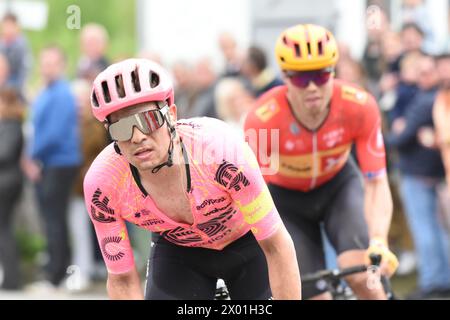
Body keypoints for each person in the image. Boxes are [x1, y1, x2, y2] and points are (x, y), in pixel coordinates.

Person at [83, 58, 301, 300]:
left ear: (171, 116)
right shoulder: (103, 184)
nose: (137, 137)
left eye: (148, 119)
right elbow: (121, 279)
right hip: (179, 255)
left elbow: (276, 245)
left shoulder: (220, 150)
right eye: (121, 128)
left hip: (248, 243)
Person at [244, 24, 398, 300]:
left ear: (333, 72)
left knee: (363, 276)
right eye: (302, 78)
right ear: (285, 77)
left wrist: (379, 240)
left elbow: (375, 181)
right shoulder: (262, 119)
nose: (313, 86)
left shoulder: (359, 105)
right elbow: (255, 192)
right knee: (309, 293)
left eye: (322, 74)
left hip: (338, 187)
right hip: (286, 201)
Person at [23, 46, 81, 289]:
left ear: (62, 65)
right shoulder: (45, 92)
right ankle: (57, 271)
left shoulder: (62, 94)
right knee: (52, 219)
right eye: (43, 62)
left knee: (55, 219)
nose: (47, 67)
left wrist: (31, 157)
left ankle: (56, 275)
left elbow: (54, 134)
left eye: (52, 63)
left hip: (59, 162)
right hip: (48, 162)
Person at [0, 86, 24, 290]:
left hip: (6, 183)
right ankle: (9, 277)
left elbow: (5, 153)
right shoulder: (9, 125)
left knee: (3, 229)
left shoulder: (11, 125)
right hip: (8, 181)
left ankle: (11, 279)